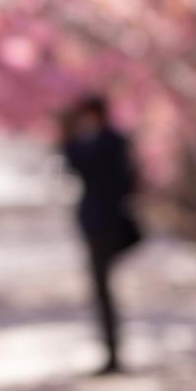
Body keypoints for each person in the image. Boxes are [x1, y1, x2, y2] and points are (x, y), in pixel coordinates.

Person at [60, 94, 142, 375]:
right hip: (108, 220)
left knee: (102, 288)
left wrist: (67, 135)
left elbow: (72, 163)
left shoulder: (96, 145)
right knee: (103, 288)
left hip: (101, 223)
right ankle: (112, 350)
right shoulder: (116, 142)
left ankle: (112, 352)